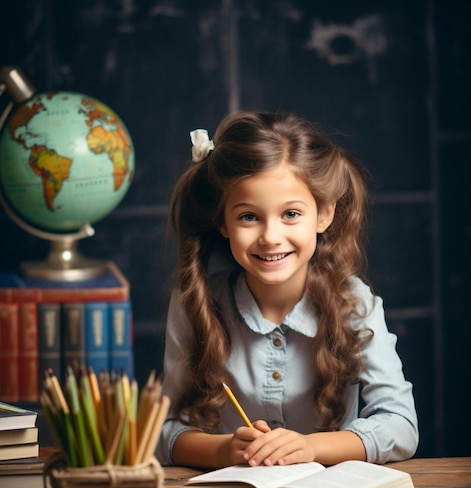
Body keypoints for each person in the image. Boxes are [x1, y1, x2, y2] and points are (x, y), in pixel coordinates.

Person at [157, 110, 418, 469]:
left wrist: (312, 448)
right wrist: (221, 451)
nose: (270, 237)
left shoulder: (354, 303)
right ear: (223, 222)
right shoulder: (195, 302)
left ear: (323, 214)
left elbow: (401, 426)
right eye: (249, 216)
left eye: (291, 214)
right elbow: (160, 430)